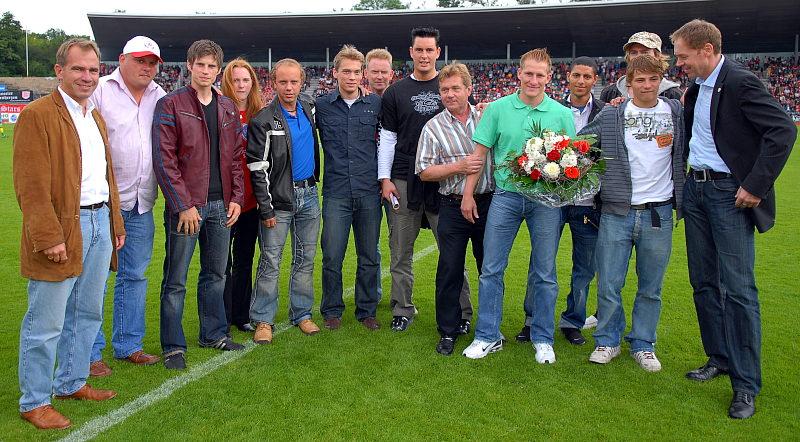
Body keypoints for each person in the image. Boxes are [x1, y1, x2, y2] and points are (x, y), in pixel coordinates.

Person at [672, 19, 796, 419]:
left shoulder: (741, 81)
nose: (679, 64)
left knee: (739, 289)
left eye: (683, 56)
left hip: (730, 195)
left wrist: (755, 185)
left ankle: (745, 386)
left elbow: (782, 131)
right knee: (703, 281)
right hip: (697, 190)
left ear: (706, 50)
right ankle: (719, 357)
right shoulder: (697, 88)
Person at [14, 38, 125, 430]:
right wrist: (49, 237)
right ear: (59, 71)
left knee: (87, 312)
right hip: (64, 226)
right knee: (46, 322)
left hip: (98, 221)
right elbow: (30, 186)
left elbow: (106, 176)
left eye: (93, 70)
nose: (87, 76)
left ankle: (72, 381)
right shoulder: (37, 115)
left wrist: (115, 224)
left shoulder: (93, 115)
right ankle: (34, 401)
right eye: (78, 68)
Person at [462, 48, 575, 364]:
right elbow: (478, 156)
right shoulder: (498, 109)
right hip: (506, 197)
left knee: (545, 271)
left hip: (545, 201)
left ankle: (543, 338)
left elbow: (571, 161)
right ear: (519, 73)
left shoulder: (562, 114)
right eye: (529, 73)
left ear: (549, 77)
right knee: (491, 268)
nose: (533, 80)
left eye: (540, 75)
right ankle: (487, 335)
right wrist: (468, 195)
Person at [579, 55, 686, 372]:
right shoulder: (613, 114)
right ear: (628, 83)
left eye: (653, 79)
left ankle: (643, 344)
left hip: (658, 213)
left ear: (661, 81)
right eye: (640, 80)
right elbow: (583, 143)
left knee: (651, 287)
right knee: (609, 283)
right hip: (617, 212)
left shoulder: (675, 112)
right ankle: (607, 341)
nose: (647, 86)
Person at [153, 39, 246, 371]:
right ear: (189, 66)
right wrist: (183, 204)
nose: (206, 71)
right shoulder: (170, 104)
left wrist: (236, 198)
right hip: (188, 208)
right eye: (200, 65)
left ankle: (213, 333)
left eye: (212, 66)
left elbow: (236, 158)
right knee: (176, 279)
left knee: (216, 274)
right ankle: (173, 346)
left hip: (222, 206)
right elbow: (165, 160)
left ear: (218, 70)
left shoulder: (227, 107)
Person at [378, 27, 472, 332]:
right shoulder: (395, 92)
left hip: (444, 179)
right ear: (411, 52)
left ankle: (462, 312)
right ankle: (402, 308)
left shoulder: (449, 85)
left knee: (452, 249)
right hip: (404, 177)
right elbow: (388, 138)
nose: (424, 55)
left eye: (429, 50)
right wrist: (385, 178)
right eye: (419, 49)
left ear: (437, 52)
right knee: (400, 249)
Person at [88, 35, 165, 377]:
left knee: (134, 276)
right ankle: (90, 353)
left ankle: (129, 345)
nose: (146, 67)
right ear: (122, 60)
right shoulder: (101, 91)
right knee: (96, 279)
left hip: (142, 201)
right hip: (104, 201)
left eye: (151, 63)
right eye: (140, 60)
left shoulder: (160, 95)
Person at [516, 57, 605, 345]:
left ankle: (572, 321)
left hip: (587, 203)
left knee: (585, 266)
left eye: (587, 77)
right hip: (551, 200)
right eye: (576, 75)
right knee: (540, 262)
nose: (581, 81)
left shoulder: (606, 113)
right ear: (567, 77)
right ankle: (531, 319)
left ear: (594, 80)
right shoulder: (551, 108)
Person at [416, 62, 494, 355]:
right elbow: (424, 171)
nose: (449, 94)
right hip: (451, 205)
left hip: (488, 203)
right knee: (450, 269)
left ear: (469, 89)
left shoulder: (487, 116)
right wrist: (458, 167)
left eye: (455, 88)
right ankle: (448, 330)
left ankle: (489, 328)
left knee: (489, 267)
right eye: (444, 90)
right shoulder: (433, 127)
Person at [247, 58, 322, 344]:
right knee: (270, 260)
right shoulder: (263, 120)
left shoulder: (309, 107)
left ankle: (302, 313)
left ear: (302, 82)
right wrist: (266, 208)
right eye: (283, 82)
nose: (289, 87)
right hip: (278, 201)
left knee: (305, 259)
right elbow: (258, 168)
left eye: (294, 81)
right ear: (273, 83)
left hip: (309, 195)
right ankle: (263, 319)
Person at [317, 46, 383, 331]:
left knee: (369, 256)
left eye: (357, 72)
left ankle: (366, 310)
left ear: (363, 74)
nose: (352, 77)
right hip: (336, 192)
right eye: (346, 71)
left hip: (369, 191)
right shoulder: (321, 106)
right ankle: (332, 310)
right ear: (335, 73)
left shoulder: (375, 104)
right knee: (332, 255)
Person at [220, 58, 264, 333]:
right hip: (225, 201)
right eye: (235, 80)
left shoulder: (260, 114)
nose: (240, 85)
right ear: (228, 82)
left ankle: (241, 314)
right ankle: (222, 316)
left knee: (245, 259)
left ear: (252, 83)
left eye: (245, 80)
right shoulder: (219, 111)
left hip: (252, 200)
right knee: (221, 263)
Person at [599, 31, 682, 104]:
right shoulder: (609, 92)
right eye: (634, 53)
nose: (638, 57)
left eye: (645, 52)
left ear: (657, 56)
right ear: (628, 57)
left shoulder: (673, 93)